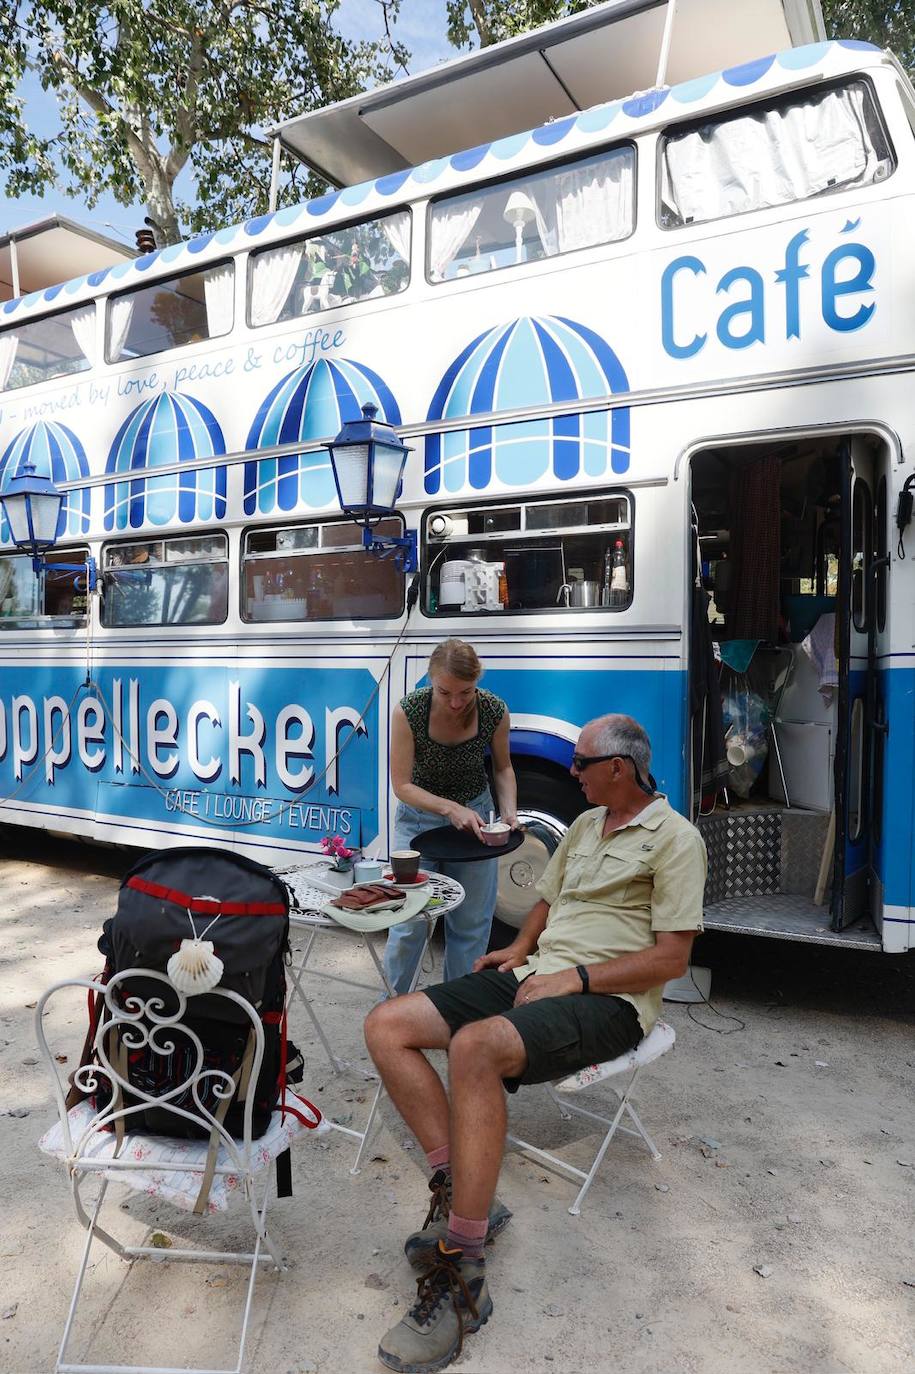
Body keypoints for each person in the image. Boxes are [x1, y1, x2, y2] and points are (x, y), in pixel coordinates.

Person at [365, 714, 707, 1374]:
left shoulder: (674, 839)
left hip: (606, 1002)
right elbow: (548, 901)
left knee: (473, 1047)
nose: (570, 771)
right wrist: (518, 949)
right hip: (537, 976)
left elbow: (670, 959)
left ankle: (463, 1272)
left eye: (580, 763)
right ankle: (463, 1189)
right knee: (387, 1025)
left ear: (620, 768)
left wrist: (573, 977)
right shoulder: (582, 825)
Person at [382, 638, 518, 996]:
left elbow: (503, 768)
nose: (456, 702)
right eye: (445, 692)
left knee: (471, 924)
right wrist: (449, 808)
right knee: (409, 921)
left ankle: (456, 1008)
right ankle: (393, 1007)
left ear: (477, 684)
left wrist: (509, 812)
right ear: (430, 680)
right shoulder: (408, 711)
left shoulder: (494, 710)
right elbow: (402, 785)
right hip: (417, 822)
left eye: (466, 693)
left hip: (474, 822)